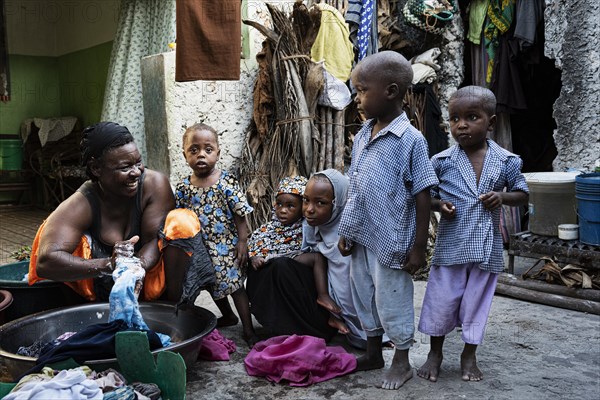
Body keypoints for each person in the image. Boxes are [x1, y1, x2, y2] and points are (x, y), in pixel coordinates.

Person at [337, 51, 439, 390]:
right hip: (363, 232)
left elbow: (423, 193)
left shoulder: (411, 140)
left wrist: (418, 247)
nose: (357, 97)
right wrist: (347, 228)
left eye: (362, 90)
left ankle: (401, 360)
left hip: (392, 237)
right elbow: (357, 185)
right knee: (363, 294)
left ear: (391, 91)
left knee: (391, 297)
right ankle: (372, 352)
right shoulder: (364, 133)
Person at [416, 86, 529, 382]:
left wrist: (502, 198)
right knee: (441, 301)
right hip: (451, 247)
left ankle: (469, 354)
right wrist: (442, 205)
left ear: (491, 123)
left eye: (471, 117)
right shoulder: (441, 161)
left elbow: (522, 194)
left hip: (486, 248)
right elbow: (427, 198)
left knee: (476, 303)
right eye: (454, 118)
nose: (461, 125)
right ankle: (435, 353)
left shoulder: (507, 161)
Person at [29, 122, 184, 302]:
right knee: (53, 233)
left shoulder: (154, 184)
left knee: (182, 223)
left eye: (138, 163)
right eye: (125, 167)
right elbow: (46, 262)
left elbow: (152, 241)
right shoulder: (83, 202)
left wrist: (134, 266)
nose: (136, 173)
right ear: (96, 168)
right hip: (104, 291)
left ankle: (176, 310)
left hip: (151, 285)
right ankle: (81, 309)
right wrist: (109, 264)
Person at [247, 170, 367, 348]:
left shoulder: (351, 239)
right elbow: (256, 249)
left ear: (338, 203)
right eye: (306, 201)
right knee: (272, 269)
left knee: (282, 267)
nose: (310, 209)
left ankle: (326, 324)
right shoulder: (307, 229)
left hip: (318, 306)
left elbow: (352, 291)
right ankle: (286, 328)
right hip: (299, 297)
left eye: (320, 202)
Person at [174, 123, 258, 346]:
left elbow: (240, 213)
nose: (201, 154)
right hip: (200, 248)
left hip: (226, 247)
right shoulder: (183, 187)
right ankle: (228, 316)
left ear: (217, 153)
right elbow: (180, 216)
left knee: (235, 287)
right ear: (184, 155)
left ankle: (248, 329)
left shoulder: (225, 181)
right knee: (212, 284)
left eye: (208, 149)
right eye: (194, 150)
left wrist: (242, 241)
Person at [247, 176, 341, 314]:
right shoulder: (269, 228)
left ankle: (323, 295)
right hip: (269, 265)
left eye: (290, 206)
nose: (283, 210)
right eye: (279, 204)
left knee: (317, 258)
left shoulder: (307, 227)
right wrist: (254, 257)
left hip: (293, 263)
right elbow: (253, 243)